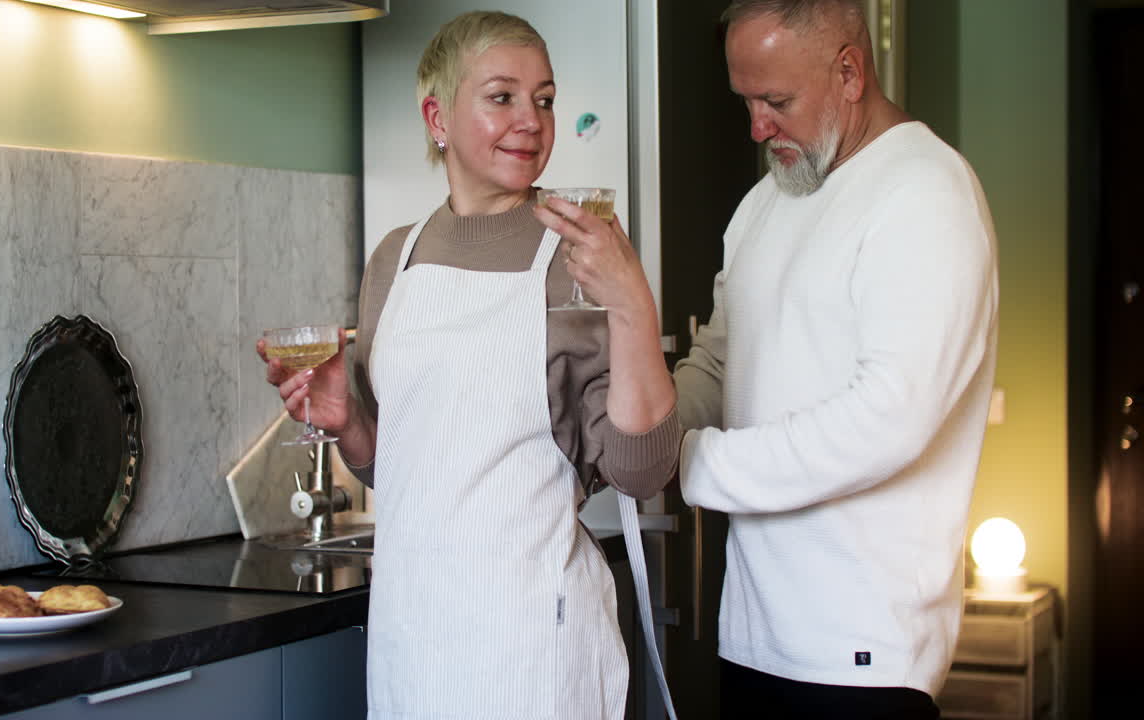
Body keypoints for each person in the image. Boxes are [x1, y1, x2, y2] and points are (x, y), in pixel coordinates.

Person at [259, 11, 679, 720]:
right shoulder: (397, 257)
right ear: (437, 116)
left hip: (533, 650)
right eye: (502, 97)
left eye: (543, 100)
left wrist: (634, 305)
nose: (531, 121)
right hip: (414, 640)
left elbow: (642, 473)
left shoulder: (580, 253)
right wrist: (350, 420)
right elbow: (410, 468)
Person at [671, 1, 1000, 717]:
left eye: (775, 101)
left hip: (864, 656)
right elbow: (720, 362)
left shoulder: (925, 193)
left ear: (849, 71)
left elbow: (889, 417)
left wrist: (696, 462)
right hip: (754, 636)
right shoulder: (764, 203)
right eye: (747, 101)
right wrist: (649, 432)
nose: (757, 127)